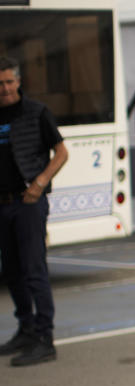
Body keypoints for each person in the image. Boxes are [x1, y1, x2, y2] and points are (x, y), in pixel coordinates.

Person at [0, 56, 68, 367]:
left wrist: (40, 183)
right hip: (3, 203)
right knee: (11, 271)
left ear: (18, 81)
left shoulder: (36, 112)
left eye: (9, 82)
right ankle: (26, 328)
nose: (4, 89)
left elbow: (62, 152)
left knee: (34, 270)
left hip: (28, 203)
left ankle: (45, 337)